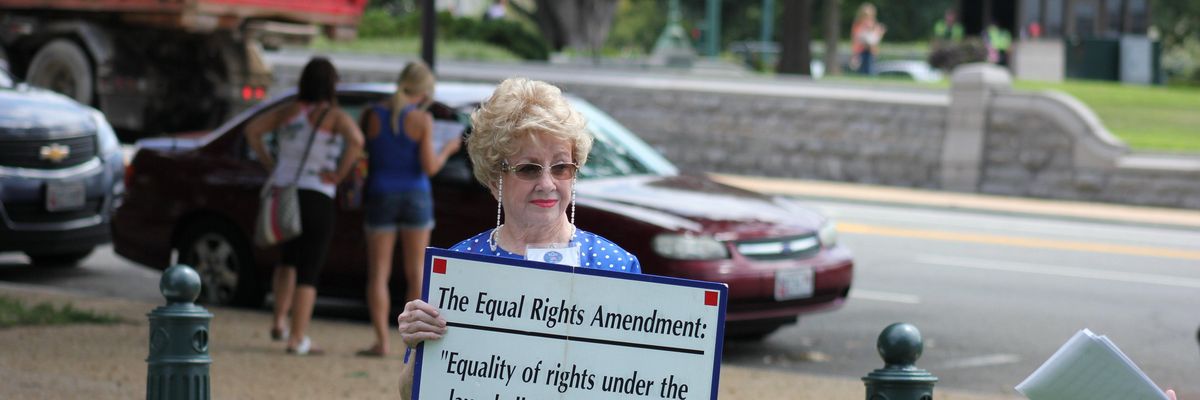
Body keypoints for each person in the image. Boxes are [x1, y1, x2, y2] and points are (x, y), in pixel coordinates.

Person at [392, 77, 641, 398]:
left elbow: (637, 381)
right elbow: (414, 393)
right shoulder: (459, 269)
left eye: (562, 167)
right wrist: (418, 342)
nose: (548, 183)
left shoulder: (616, 266)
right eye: (529, 169)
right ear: (496, 177)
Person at [246, 57, 365, 355]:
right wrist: (338, 174)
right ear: (331, 84)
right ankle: (297, 338)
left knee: (287, 259)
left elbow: (252, 131)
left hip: (285, 192)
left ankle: (278, 321)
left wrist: (271, 164)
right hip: (317, 194)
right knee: (309, 269)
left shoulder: (286, 112)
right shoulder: (334, 117)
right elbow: (357, 140)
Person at [356, 61, 461, 357]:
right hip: (415, 196)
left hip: (380, 195)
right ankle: (411, 343)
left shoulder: (371, 115)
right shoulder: (421, 120)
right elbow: (429, 167)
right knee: (415, 273)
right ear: (426, 89)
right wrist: (449, 149)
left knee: (378, 274)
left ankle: (381, 341)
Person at [851, 3, 886, 75]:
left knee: (870, 71)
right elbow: (856, 38)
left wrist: (879, 32)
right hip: (861, 51)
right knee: (861, 72)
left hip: (871, 51)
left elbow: (875, 39)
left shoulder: (873, 24)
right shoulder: (858, 25)